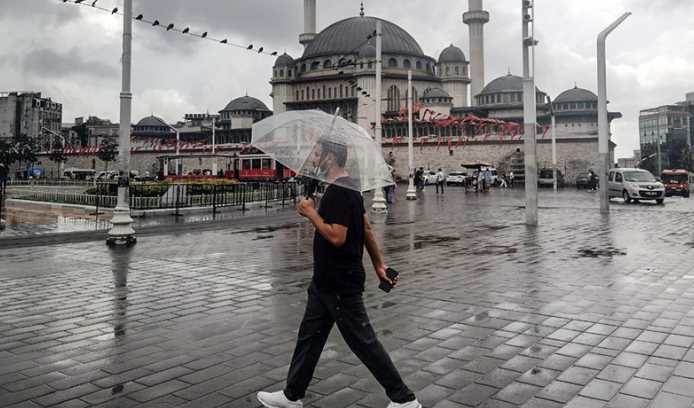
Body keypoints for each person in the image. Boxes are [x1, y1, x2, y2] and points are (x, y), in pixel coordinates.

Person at [257, 140, 421, 408]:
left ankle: (404, 399)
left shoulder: (338, 193)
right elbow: (366, 228)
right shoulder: (349, 188)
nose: (313, 159)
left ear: (330, 158)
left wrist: (311, 214)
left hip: (339, 283)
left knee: (364, 342)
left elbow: (337, 236)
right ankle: (292, 395)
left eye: (317, 154)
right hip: (324, 283)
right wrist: (380, 265)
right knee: (309, 338)